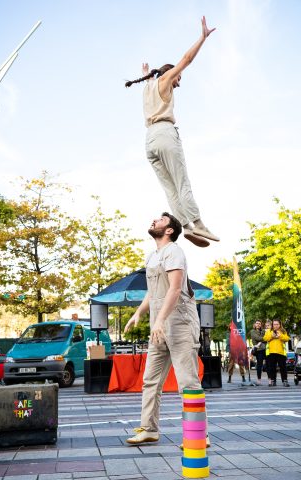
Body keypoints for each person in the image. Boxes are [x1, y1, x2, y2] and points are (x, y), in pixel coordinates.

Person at [125, 17, 219, 248]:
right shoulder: (165, 80)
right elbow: (187, 59)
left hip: (149, 141)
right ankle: (198, 222)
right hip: (166, 135)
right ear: (169, 73)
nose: (178, 82)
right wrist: (202, 38)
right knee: (182, 182)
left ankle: (185, 227)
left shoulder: (148, 87)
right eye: (179, 77)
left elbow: (149, 78)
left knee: (169, 188)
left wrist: (146, 71)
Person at [124, 212, 209, 446]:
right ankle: (149, 429)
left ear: (169, 230)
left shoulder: (174, 251)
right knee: (150, 381)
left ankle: (199, 434)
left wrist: (160, 320)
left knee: (188, 382)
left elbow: (174, 289)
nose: (154, 220)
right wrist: (139, 312)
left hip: (180, 324)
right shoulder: (153, 256)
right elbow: (154, 291)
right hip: (158, 327)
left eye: (161, 219)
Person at [263, 320, 290, 387]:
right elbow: (265, 338)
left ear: (280, 324)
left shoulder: (283, 331)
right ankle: (273, 381)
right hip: (271, 352)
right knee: (272, 368)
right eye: (274, 324)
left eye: (277, 324)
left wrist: (280, 336)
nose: (275, 326)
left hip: (281, 352)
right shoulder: (269, 331)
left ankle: (285, 381)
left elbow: (287, 339)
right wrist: (272, 336)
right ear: (272, 325)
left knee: (283, 367)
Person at [250, 321, 266, 385]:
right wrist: (264, 339)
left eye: (259, 323)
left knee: (269, 364)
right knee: (259, 365)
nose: (258, 324)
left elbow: (265, 338)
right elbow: (258, 338)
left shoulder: (263, 331)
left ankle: (271, 379)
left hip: (265, 349)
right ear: (254, 324)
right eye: (257, 323)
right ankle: (259, 379)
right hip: (258, 350)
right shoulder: (253, 331)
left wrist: (263, 339)